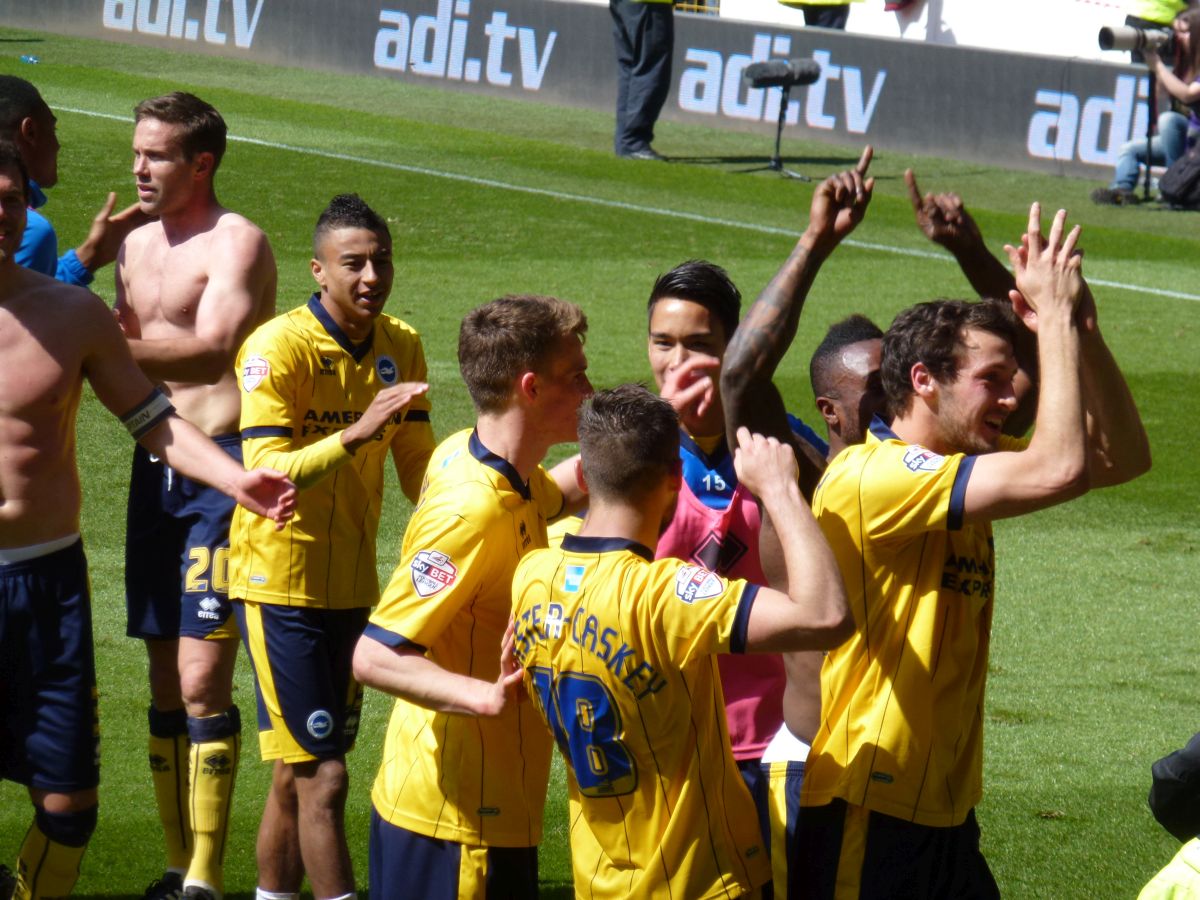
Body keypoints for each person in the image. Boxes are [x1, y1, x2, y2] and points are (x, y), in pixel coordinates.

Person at [791, 204, 1150, 897]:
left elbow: (1123, 457)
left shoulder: (957, 466)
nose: (1012, 399)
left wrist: (1081, 330)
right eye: (993, 378)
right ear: (924, 379)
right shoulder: (876, 477)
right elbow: (1060, 467)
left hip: (944, 812)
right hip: (871, 812)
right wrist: (1053, 336)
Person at [0, 143, 294, 900]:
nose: (1, 216)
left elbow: (155, 421)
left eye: (10, 199)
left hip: (48, 580)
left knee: (68, 808)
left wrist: (237, 478)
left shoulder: (71, 315)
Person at [510, 384, 852, 899]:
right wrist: (780, 488)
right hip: (697, 881)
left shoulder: (533, 573)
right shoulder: (663, 595)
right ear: (676, 478)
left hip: (598, 880)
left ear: (584, 473)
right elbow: (826, 616)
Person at [226, 192, 434, 900]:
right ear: (318, 270)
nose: (371, 276)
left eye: (381, 261)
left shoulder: (400, 344)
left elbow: (419, 469)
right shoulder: (276, 348)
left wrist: (491, 482)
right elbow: (263, 469)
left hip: (352, 588)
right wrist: (353, 433)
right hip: (278, 584)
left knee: (297, 768)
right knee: (326, 774)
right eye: (354, 264)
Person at [352, 294, 590, 900]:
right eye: (576, 375)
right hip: (457, 826)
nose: (589, 387)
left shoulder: (480, 456)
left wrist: (639, 450)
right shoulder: (471, 511)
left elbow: (548, 498)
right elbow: (374, 656)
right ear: (531, 388)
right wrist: (483, 697)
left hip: (482, 807)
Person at [114, 91, 278, 900]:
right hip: (155, 470)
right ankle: (176, 864)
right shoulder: (135, 247)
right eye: (137, 151)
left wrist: (94, 346)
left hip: (223, 469)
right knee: (157, 677)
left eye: (156, 155)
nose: (138, 167)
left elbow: (214, 347)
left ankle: (209, 877)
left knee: (202, 680)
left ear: (201, 163)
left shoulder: (238, 242)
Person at [0, 75, 146, 284]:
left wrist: (88, 257)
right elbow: (35, 310)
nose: (58, 145)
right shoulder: (27, 229)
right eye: (53, 129)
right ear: (30, 131)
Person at [1094, 8, 1200, 205]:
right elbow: (1161, 93)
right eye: (1176, 32)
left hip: (1196, 147)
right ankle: (1121, 190)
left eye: (1184, 33)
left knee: (1169, 121)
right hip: (1184, 143)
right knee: (1129, 150)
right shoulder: (1181, 63)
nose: (1178, 38)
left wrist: (1158, 66)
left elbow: (1188, 94)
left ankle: (1174, 188)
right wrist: (1156, 57)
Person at [610, 0, 673, 160]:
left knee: (630, 68)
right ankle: (633, 141)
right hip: (648, 4)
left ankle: (626, 141)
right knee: (650, 67)